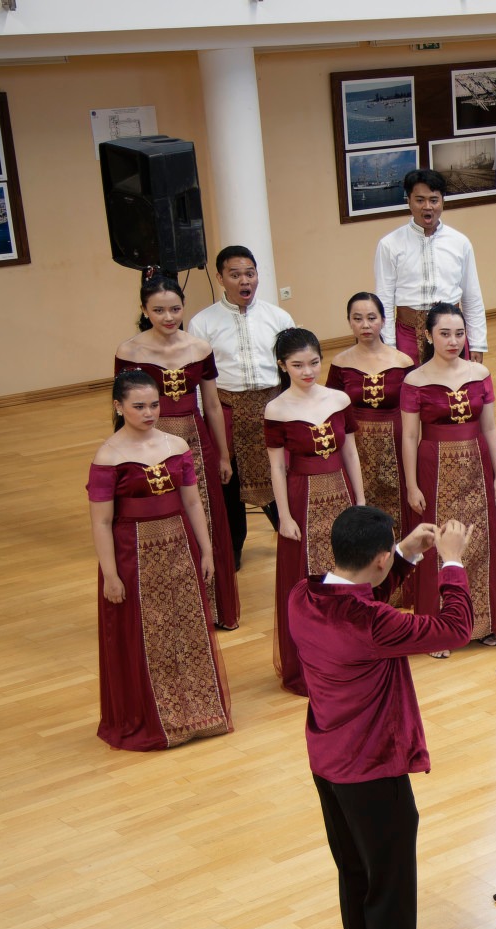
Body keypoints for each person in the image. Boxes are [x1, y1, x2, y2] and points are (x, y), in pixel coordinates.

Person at [291, 506, 474, 929]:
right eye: (386, 555)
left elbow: (358, 592)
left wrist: (404, 555)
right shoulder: (371, 625)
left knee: (356, 874)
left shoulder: (303, 595)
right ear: (374, 559)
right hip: (371, 769)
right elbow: (454, 628)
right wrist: (452, 565)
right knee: (391, 883)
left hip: (327, 761)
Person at [89, 370, 231, 751]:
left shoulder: (176, 443)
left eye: (154, 405)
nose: (149, 413)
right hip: (131, 551)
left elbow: (191, 501)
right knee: (144, 630)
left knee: (186, 626)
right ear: (119, 407)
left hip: (178, 544)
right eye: (138, 407)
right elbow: (101, 521)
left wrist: (206, 550)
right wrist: (110, 576)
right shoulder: (108, 456)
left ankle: (197, 712)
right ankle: (151, 716)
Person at [115, 272, 238, 630]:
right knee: (163, 516)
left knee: (205, 515)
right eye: (159, 310)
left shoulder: (199, 348)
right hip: (147, 441)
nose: (168, 317)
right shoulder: (129, 351)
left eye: (175, 309)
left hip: (195, 438)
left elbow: (212, 405)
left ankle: (213, 606)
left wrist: (224, 453)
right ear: (144, 309)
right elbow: (120, 406)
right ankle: (169, 606)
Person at [400, 304, 496, 653]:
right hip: (435, 466)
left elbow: (489, 426)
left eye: (459, 333)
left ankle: (482, 622)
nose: (453, 341)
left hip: (476, 464)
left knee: (478, 541)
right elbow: (409, 438)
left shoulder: (480, 372)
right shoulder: (414, 380)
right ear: (429, 335)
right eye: (445, 333)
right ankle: (439, 631)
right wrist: (413, 484)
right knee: (438, 543)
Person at [265, 328, 363, 696]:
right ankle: (311, 663)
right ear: (282, 366)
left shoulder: (338, 399)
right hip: (301, 497)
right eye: (297, 365)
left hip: (340, 490)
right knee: (308, 578)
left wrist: (361, 501)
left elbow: (351, 452)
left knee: (346, 573)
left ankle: (350, 654)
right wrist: (285, 516)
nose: (308, 371)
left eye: (314, 362)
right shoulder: (276, 409)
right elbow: (277, 467)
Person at [187, 244, 295, 564]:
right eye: (235, 275)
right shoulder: (202, 323)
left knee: (281, 472)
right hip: (227, 409)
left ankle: (289, 534)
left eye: (250, 273)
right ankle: (232, 548)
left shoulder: (279, 317)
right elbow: (198, 381)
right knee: (228, 479)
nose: (244, 281)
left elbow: (293, 366)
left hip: (272, 406)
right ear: (220, 278)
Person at [374, 169, 487, 364]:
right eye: (420, 200)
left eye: (434, 200)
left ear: (442, 201)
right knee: (413, 391)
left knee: (455, 391)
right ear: (408, 201)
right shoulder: (390, 244)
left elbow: (472, 295)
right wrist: (389, 346)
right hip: (407, 336)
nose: (428, 207)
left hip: (451, 334)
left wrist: (477, 342)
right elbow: (384, 299)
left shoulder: (460, 242)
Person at [328, 293, 415, 545]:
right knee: (361, 505)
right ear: (349, 322)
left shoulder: (402, 361)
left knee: (398, 507)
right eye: (358, 319)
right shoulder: (340, 362)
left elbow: (413, 411)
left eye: (371, 318)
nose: (365, 325)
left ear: (383, 321)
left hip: (396, 443)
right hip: (355, 446)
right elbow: (331, 408)